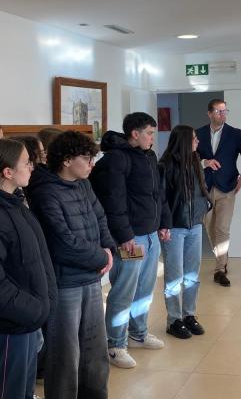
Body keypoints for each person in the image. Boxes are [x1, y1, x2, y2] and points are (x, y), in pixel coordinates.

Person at [28, 131, 114, 399]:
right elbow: (63, 242)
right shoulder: (45, 192)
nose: (92, 164)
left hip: (91, 276)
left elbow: (100, 217)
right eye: (86, 158)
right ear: (66, 160)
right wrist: (102, 257)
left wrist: (108, 248)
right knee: (65, 354)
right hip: (65, 283)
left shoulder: (83, 184)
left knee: (95, 350)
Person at [89, 112, 171, 369]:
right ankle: (115, 344)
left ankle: (138, 333)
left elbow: (158, 194)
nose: (153, 138)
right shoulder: (116, 159)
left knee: (145, 289)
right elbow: (113, 201)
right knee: (124, 291)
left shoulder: (149, 156)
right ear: (135, 133)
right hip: (131, 239)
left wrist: (164, 223)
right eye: (149, 133)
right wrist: (124, 236)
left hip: (150, 235)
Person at [0, 139, 56, 399]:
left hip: (28, 320)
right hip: (12, 324)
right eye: (26, 163)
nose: (32, 167)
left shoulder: (16, 202)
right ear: (8, 172)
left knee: (25, 390)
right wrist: (33, 309)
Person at [159, 125, 210, 339]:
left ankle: (189, 315)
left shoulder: (195, 161)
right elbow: (161, 198)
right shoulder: (166, 165)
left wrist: (205, 205)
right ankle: (174, 320)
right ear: (183, 141)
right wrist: (164, 224)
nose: (197, 141)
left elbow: (201, 188)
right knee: (174, 277)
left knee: (192, 276)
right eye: (194, 138)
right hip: (175, 228)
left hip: (195, 225)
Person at [196, 99, 241, 287]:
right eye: (218, 111)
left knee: (222, 228)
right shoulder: (198, 134)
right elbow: (190, 157)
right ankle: (223, 259)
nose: (223, 114)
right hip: (204, 189)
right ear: (209, 113)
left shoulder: (235, 134)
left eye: (225, 111)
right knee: (210, 227)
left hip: (227, 188)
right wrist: (204, 162)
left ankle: (220, 269)